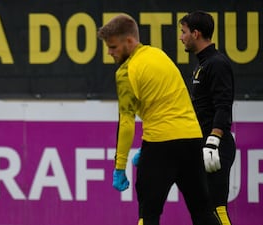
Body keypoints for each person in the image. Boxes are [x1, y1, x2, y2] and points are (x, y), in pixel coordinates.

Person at [97, 14, 220, 225]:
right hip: (192, 139)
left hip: (160, 144)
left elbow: (126, 122)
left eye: (113, 47)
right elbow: (174, 99)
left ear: (129, 41)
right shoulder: (159, 55)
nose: (109, 52)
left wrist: (120, 166)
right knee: (203, 211)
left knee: (149, 215)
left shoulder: (125, 72)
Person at [180, 11, 236, 225]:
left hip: (215, 147)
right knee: (204, 211)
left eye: (184, 32)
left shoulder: (217, 63)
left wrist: (213, 141)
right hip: (203, 145)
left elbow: (223, 106)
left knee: (216, 208)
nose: (181, 37)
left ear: (196, 33)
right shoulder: (203, 64)